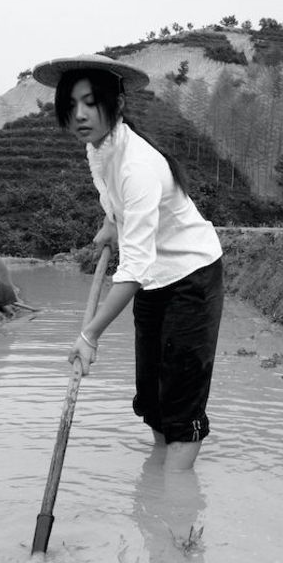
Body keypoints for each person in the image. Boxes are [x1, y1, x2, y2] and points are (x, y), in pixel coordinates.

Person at [32, 54, 224, 472]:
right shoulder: (98, 148)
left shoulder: (138, 165)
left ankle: (174, 510)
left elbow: (132, 270)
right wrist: (110, 223)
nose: (80, 115)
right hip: (155, 277)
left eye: (90, 102)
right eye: (72, 104)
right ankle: (156, 480)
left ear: (116, 105)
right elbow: (114, 197)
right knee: (152, 395)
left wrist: (90, 334)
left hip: (191, 275)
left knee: (181, 398)